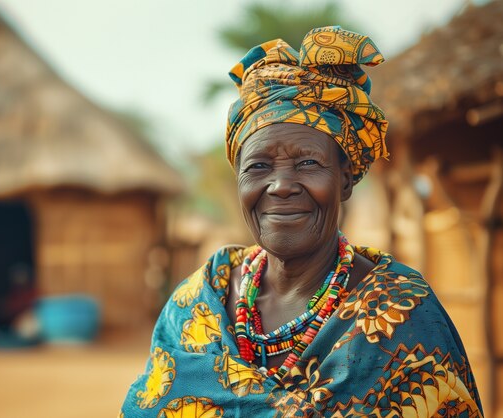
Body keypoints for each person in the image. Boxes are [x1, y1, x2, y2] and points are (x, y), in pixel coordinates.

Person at [120, 26, 483, 417]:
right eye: (258, 166)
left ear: (345, 178)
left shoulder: (404, 312)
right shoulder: (196, 304)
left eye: (308, 162)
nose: (280, 186)